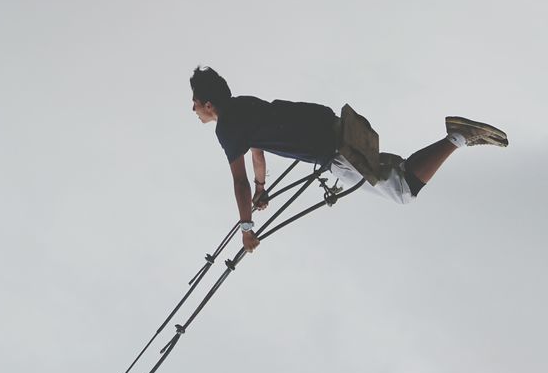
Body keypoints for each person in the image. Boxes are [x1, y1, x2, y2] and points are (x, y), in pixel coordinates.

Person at [189, 66, 509, 253]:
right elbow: (256, 151)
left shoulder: (227, 128)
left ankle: (459, 136)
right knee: (397, 172)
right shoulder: (241, 106)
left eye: (194, 103)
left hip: (334, 152)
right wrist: (263, 187)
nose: (193, 110)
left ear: (206, 103)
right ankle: (457, 137)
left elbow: (238, 182)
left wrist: (247, 228)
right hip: (336, 126)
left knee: (403, 191)